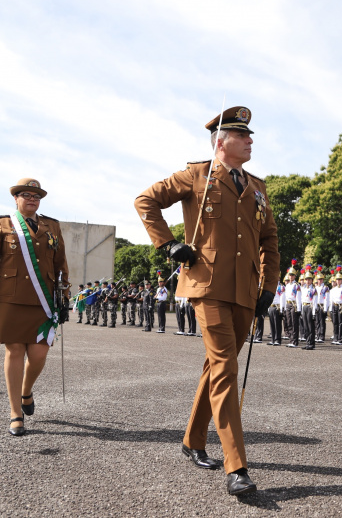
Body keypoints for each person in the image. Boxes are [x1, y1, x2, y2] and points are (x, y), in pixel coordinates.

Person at [134, 105, 279, 496]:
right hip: (207, 284)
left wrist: (269, 285)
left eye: (249, 135)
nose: (251, 140)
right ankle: (236, 466)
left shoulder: (258, 187)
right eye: (242, 135)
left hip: (246, 290)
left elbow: (269, 240)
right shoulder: (196, 175)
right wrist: (169, 244)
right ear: (221, 141)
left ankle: (193, 440)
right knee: (225, 370)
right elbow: (145, 200)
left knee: (217, 365)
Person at [0, 178, 69, 436]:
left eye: (36, 196)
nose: (32, 199)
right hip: (10, 298)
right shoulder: (2, 224)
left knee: (38, 355)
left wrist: (65, 297)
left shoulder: (52, 226)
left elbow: (61, 264)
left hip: (43, 299)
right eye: (26, 195)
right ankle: (15, 412)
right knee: (15, 351)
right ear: (16, 199)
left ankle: (26, 390)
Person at [268, 280, 284, 345]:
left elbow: (282, 298)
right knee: (272, 324)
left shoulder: (280, 287)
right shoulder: (270, 286)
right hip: (271, 306)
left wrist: (281, 309)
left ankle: (277, 340)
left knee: (277, 324)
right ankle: (273, 339)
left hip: (277, 307)